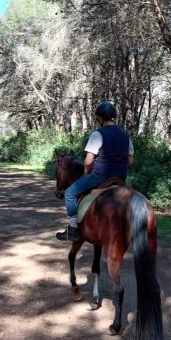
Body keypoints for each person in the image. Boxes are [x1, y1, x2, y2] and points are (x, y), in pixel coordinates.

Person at [56, 101, 134, 241]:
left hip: (100, 177)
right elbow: (130, 162)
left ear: (100, 118)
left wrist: (87, 172)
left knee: (69, 193)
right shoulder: (125, 136)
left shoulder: (97, 134)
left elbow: (87, 162)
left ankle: (73, 230)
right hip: (120, 179)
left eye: (97, 117)